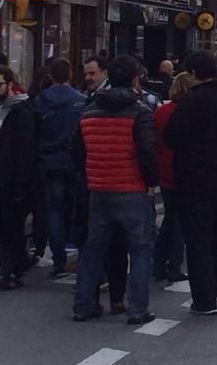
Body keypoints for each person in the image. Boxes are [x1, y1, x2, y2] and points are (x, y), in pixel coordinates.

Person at [73, 55, 158, 325]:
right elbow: (147, 152)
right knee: (141, 248)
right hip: (131, 188)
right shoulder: (140, 112)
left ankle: (84, 305)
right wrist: (150, 183)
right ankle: (137, 309)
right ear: (135, 79)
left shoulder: (89, 111)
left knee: (93, 248)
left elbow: (76, 151)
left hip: (99, 188)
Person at [164, 52, 217, 315]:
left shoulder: (192, 101)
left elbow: (172, 136)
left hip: (196, 179)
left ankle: (205, 299)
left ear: (194, 74)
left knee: (199, 241)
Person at [0, 65, 40, 291]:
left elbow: (24, 151)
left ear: (10, 85)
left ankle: (11, 272)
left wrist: (21, 184)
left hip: (12, 178)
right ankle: (19, 262)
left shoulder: (21, 111)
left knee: (10, 226)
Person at [36, 58, 87, 278]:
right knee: (77, 209)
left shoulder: (40, 101)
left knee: (54, 210)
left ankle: (58, 259)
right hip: (73, 161)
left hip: (49, 160)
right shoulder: (81, 101)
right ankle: (78, 252)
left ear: (50, 76)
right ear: (70, 76)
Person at [152, 72, 190, 283]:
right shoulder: (189, 112)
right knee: (178, 220)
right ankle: (174, 264)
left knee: (170, 217)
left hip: (164, 169)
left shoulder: (161, 112)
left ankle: (159, 263)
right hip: (183, 170)